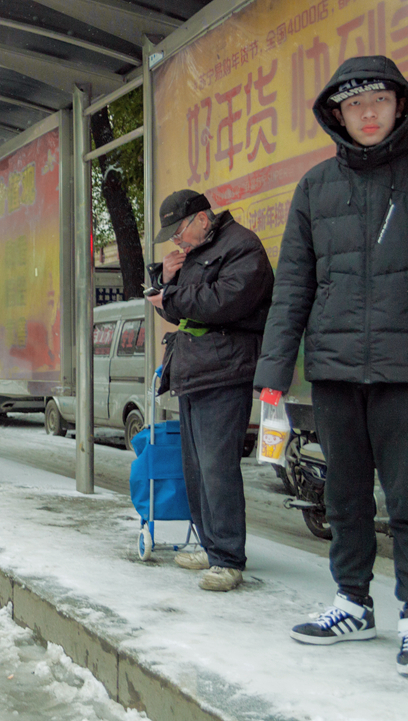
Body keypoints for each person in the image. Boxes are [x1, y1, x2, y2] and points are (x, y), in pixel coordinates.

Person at [254, 56, 408, 679]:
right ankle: (353, 604)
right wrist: (275, 367)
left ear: (399, 104)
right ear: (337, 115)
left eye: (378, 100)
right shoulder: (315, 187)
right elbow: (294, 283)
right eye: (355, 105)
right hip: (333, 370)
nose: (368, 113)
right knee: (345, 496)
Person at [146, 189, 274, 592]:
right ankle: (210, 544)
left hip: (226, 367)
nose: (177, 241)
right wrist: (164, 281)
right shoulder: (196, 252)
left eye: (179, 230)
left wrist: (172, 293)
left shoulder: (242, 246)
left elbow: (221, 302)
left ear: (203, 218)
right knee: (196, 468)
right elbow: (176, 308)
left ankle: (228, 558)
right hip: (193, 366)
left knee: (218, 467)